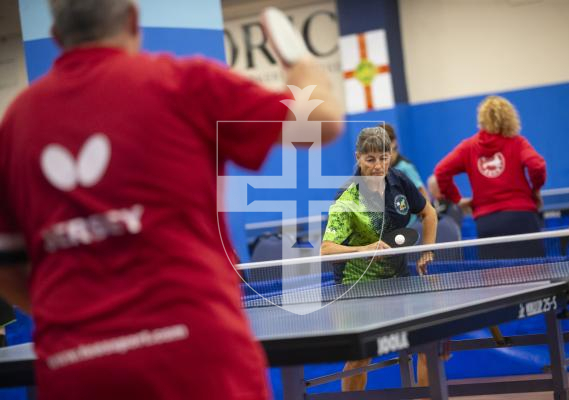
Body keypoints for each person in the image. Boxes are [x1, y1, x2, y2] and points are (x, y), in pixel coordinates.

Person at [0, 1, 343, 399]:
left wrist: (86, 324)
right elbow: (323, 121)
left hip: (76, 368)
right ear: (132, 19)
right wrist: (304, 68)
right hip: (195, 356)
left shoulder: (17, 122)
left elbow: (7, 268)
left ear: (57, 35)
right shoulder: (184, 83)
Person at [321, 127, 437, 391]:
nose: (378, 166)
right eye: (370, 159)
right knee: (359, 357)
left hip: (398, 279)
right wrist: (363, 249)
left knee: (424, 343)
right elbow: (326, 249)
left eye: (384, 157)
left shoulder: (399, 180)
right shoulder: (347, 196)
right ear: (358, 157)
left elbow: (428, 213)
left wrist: (427, 250)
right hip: (356, 286)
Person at [434, 95, 546, 259]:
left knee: (496, 280)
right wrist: (535, 190)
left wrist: (457, 200)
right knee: (535, 275)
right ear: (509, 117)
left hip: (487, 222)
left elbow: (441, 171)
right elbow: (537, 166)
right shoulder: (518, 142)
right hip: (522, 218)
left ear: (481, 120)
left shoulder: (468, 147)